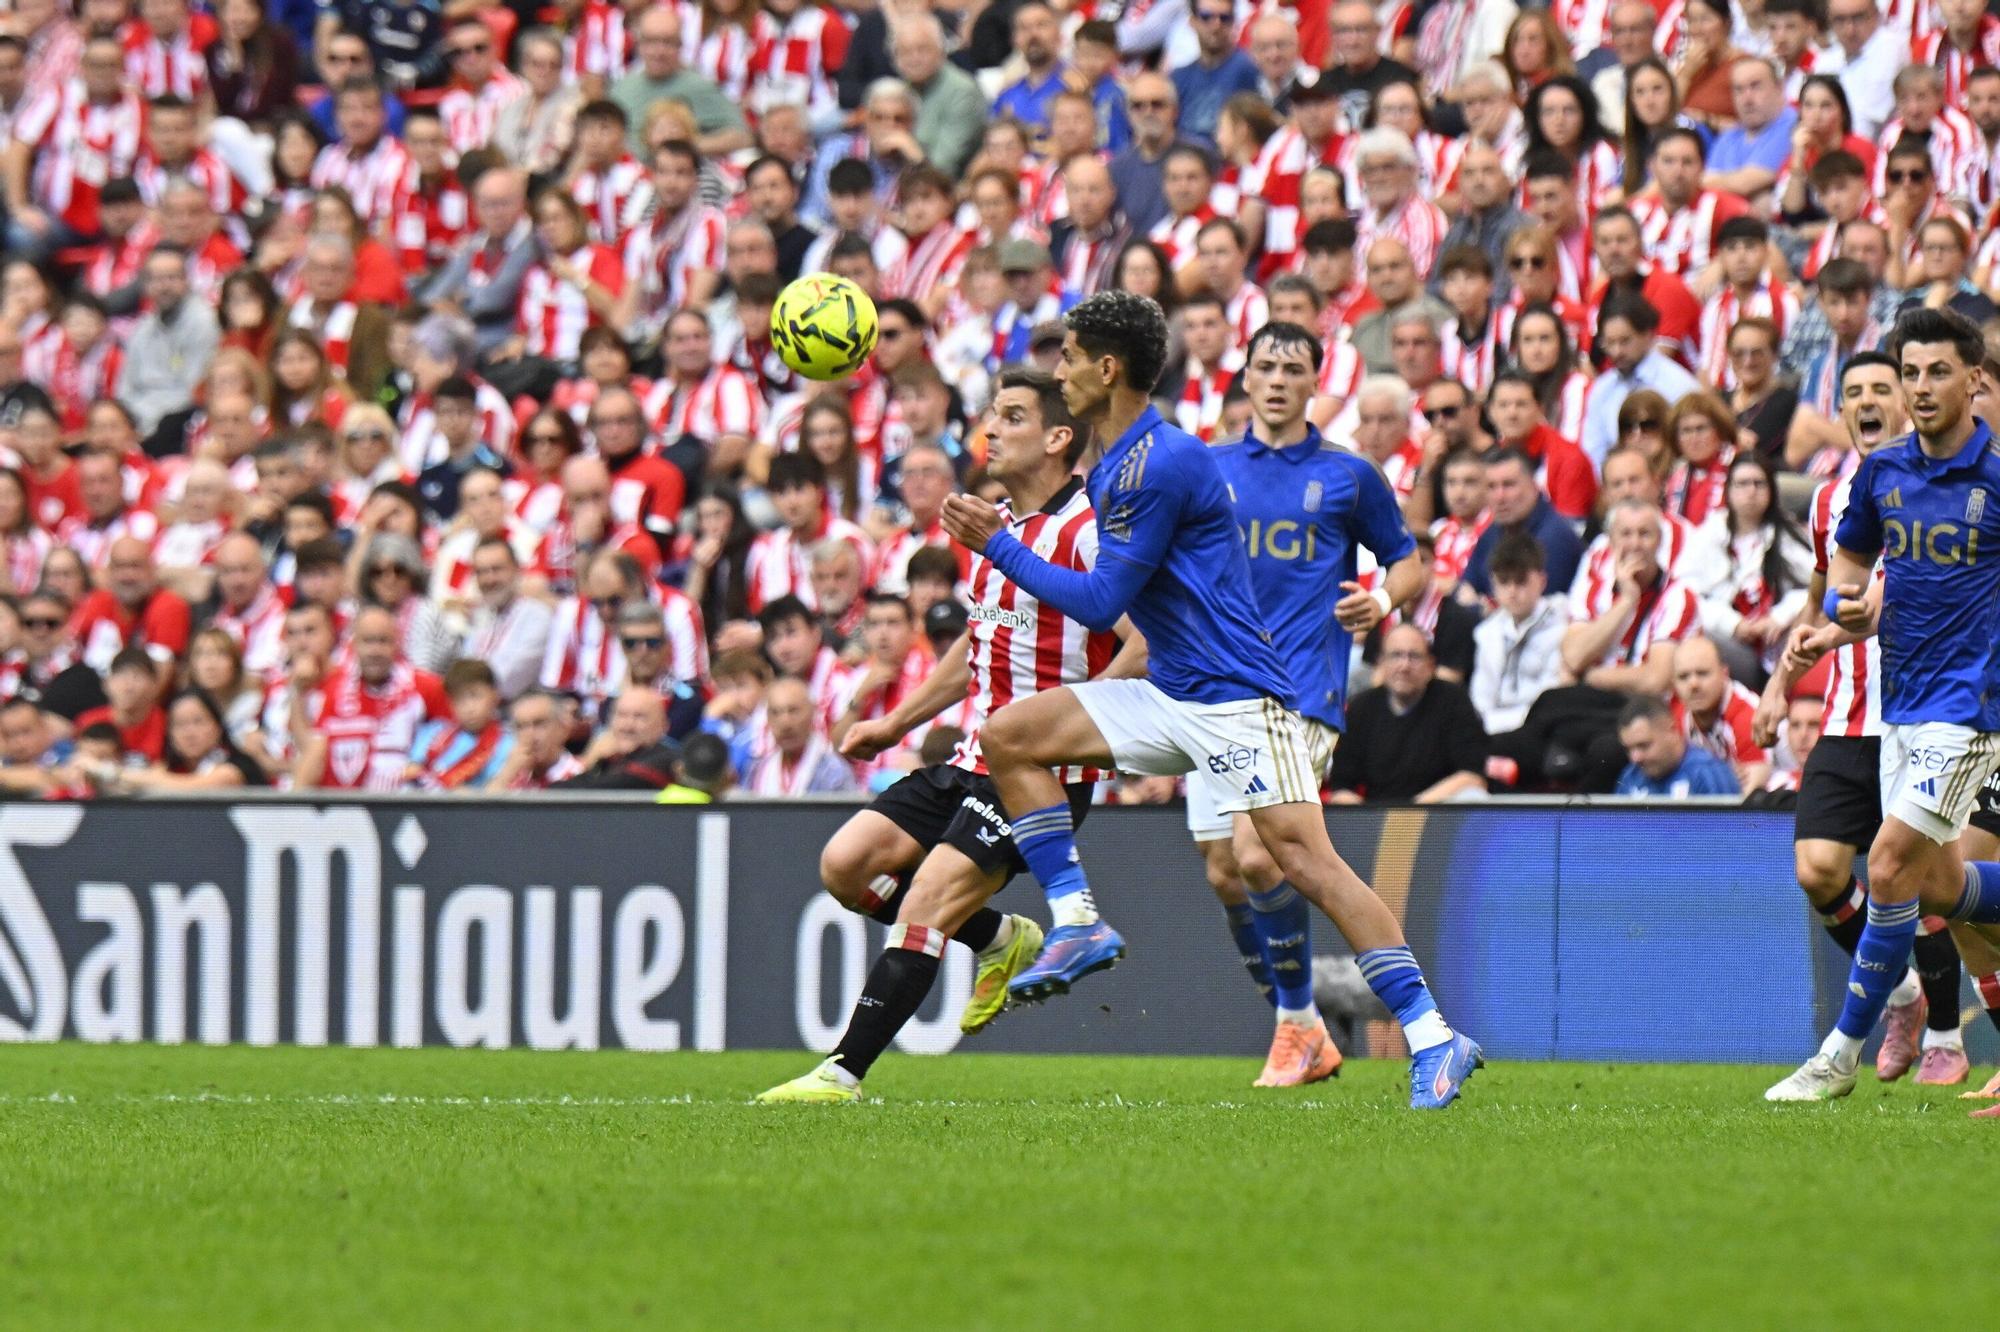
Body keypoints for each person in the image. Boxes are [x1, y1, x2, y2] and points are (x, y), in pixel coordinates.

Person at [938, 290, 1483, 1109]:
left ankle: (1434, 1036)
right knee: (1011, 734)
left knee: (1302, 863)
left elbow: (1099, 603)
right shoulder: (1124, 461)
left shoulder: (1157, 463)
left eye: (1070, 357)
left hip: (1240, 701)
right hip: (1172, 691)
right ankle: (1077, 919)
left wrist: (998, 545)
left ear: (1107, 368)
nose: (1060, 372)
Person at [754, 368, 1118, 1103]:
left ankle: (841, 1075)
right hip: (973, 758)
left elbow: (1142, 644)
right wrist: (896, 721)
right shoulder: (999, 527)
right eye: (991, 414)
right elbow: (978, 644)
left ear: (1058, 437)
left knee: (924, 903)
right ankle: (998, 938)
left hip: (1039, 774)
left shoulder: (1090, 531)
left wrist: (1100, 731)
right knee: (846, 868)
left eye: (1011, 416)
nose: (991, 429)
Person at [1180, 320, 1427, 1084]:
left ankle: (1299, 1024)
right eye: (1267, 367)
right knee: (1226, 867)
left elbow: (1408, 561)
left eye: (1294, 369)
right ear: (1247, 377)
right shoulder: (1207, 468)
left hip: (1300, 688)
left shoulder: (1349, 475)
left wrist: (1381, 600)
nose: (1279, 380)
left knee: (1259, 853)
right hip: (1213, 690)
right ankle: (1308, 1027)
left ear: (1316, 382)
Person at [1765, 308, 2000, 1104]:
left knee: (1890, 865)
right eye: (1912, 373)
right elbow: (1849, 563)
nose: (1922, 387)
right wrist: (1847, 603)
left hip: (1974, 710)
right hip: (1900, 708)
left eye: (1939, 372)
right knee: (1941, 888)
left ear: (1974, 379)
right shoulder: (1883, 473)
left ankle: (1837, 1058)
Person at [1471, 533, 1570, 737]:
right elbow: (1481, 697)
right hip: (1492, 727)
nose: (1512, 591)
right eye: (1504, 582)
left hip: (1539, 727)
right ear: (1493, 584)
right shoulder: (1487, 633)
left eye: (1521, 582)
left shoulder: (1562, 624)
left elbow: (1552, 692)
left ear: (1542, 581)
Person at [403, 658, 513, 789]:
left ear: (495, 696)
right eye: (459, 700)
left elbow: (493, 792)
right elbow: (410, 770)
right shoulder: (434, 730)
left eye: (475, 696)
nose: (468, 708)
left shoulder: (507, 745)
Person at [1612, 695, 1741, 796]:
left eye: (1643, 745)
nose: (1635, 758)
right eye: (1628, 749)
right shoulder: (1630, 777)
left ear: (1671, 731)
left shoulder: (1707, 774)